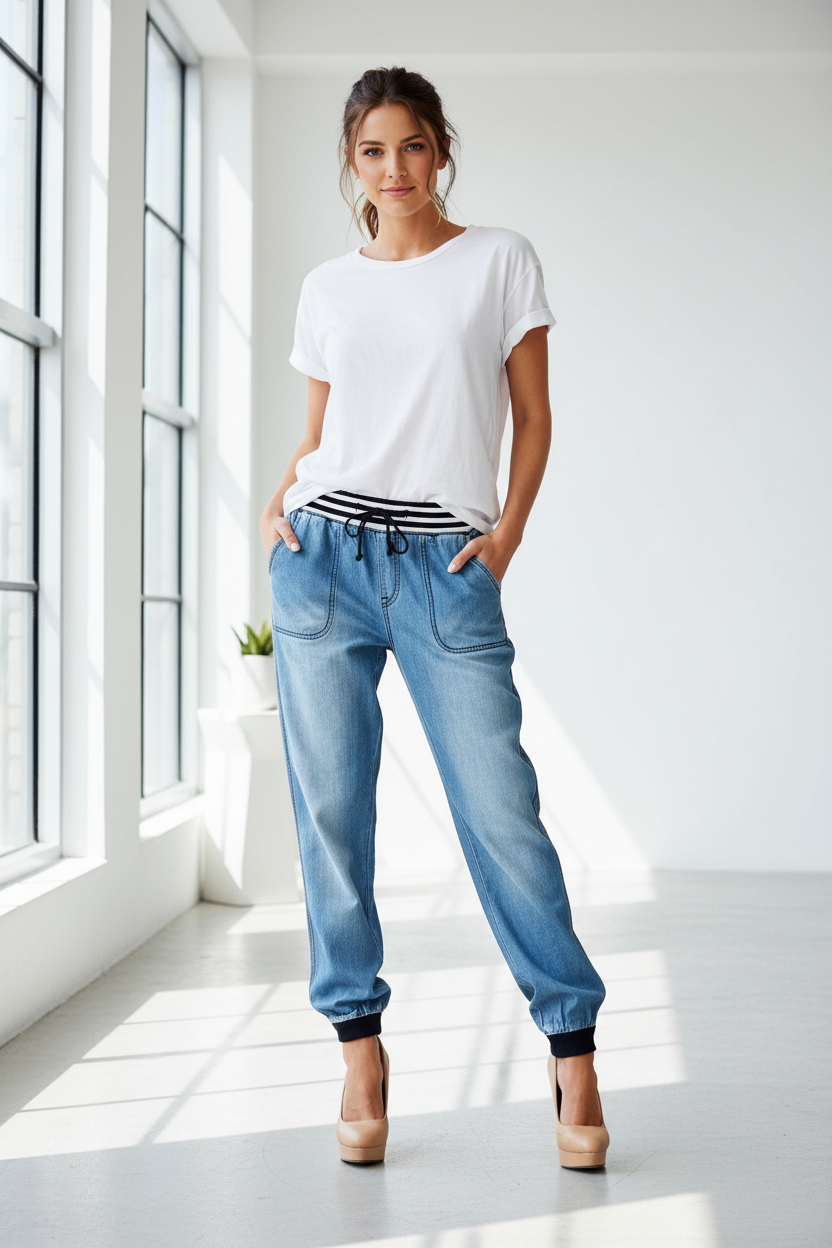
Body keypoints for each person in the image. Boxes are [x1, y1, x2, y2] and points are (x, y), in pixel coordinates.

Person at [259, 66, 609, 1170]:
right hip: (321, 558)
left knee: (500, 812)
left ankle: (572, 1048)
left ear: (440, 151)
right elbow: (324, 429)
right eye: (372, 151)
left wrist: (503, 536)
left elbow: (534, 416)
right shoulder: (329, 287)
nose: (394, 169)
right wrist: (277, 501)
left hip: (442, 560)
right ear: (350, 164)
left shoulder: (498, 260)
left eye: (412, 147)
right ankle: (358, 1048)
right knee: (330, 818)